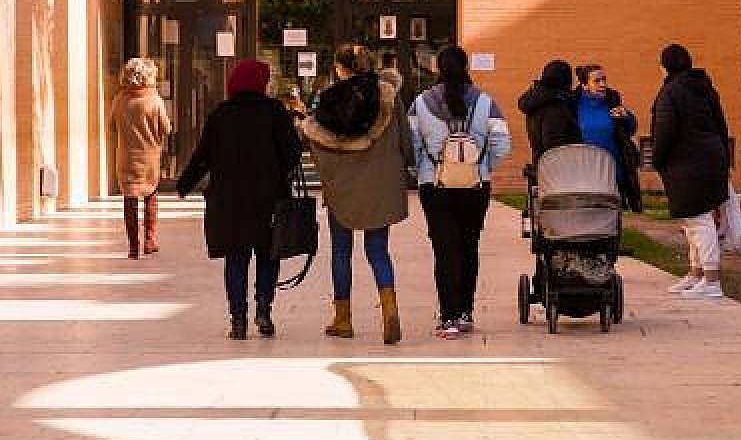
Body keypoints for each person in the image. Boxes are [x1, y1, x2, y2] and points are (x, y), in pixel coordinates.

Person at [176, 58, 303, 339]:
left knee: (236, 258)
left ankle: (237, 319)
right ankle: (264, 311)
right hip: (269, 201)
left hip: (230, 202)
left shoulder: (222, 114)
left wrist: (184, 184)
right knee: (267, 257)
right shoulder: (274, 111)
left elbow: (203, 156)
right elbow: (293, 153)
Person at [302, 44, 414, 344]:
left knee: (341, 251)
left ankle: (343, 318)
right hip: (380, 184)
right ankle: (389, 310)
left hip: (342, 186)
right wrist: (407, 166)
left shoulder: (332, 100)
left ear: (341, 68)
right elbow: (405, 139)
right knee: (378, 251)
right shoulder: (389, 95)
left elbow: (317, 139)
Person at [410, 45, 512, 338]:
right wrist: (481, 167)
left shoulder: (420, 103)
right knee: (469, 247)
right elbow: (502, 144)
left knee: (445, 250)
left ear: (437, 69)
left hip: (435, 186)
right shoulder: (486, 102)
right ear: (466, 66)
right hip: (475, 186)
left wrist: (424, 172)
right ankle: (466, 312)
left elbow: (412, 144)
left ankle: (449, 317)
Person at [650, 44, 731, 298]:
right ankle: (696, 274)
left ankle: (711, 280)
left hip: (686, 163)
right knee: (694, 221)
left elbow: (664, 131)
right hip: (711, 157)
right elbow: (721, 124)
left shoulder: (671, 92)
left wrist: (658, 159)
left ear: (665, 67)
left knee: (698, 221)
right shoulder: (705, 88)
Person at [109, 58, 172, 260]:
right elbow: (166, 128)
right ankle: (149, 240)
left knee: (129, 199)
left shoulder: (119, 100)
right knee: (150, 196)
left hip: (126, 157)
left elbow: (111, 126)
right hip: (149, 157)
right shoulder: (154, 100)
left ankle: (133, 246)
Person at [575, 64, 642, 213]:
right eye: (597, 81)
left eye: (604, 79)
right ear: (585, 85)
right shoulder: (574, 106)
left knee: (616, 218)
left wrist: (627, 117)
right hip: (587, 174)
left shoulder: (612, 101)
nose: (603, 84)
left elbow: (629, 130)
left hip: (615, 174)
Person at [518, 59, 582, 165]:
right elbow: (553, 143)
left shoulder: (537, 101)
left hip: (541, 165)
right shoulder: (555, 105)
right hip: (558, 169)